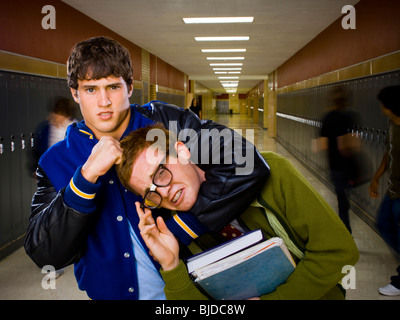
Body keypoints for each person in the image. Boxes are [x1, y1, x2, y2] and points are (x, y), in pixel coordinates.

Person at [24, 36, 269, 299]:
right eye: (91, 89)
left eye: (113, 87)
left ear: (130, 87)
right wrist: (85, 178)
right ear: (75, 93)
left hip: (190, 289)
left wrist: (184, 226)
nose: (104, 101)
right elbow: (44, 252)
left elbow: (244, 160)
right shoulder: (56, 160)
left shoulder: (166, 124)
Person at [116, 124, 360, 300]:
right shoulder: (177, 231)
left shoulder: (274, 171)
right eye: (150, 193)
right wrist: (171, 264)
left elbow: (338, 252)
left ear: (182, 150)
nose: (164, 192)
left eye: (160, 173)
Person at [369, 85, 400, 296]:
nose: (381, 108)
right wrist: (376, 178)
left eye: (383, 104)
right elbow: (389, 154)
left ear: (390, 106)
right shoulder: (392, 125)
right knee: (383, 223)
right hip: (392, 189)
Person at [319, 87, 360, 233]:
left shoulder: (328, 117)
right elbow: (355, 143)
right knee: (344, 196)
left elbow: (322, 144)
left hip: (335, 165)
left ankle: (345, 229)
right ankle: (345, 225)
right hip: (349, 165)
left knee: (341, 198)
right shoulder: (350, 116)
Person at [29, 97, 77, 177]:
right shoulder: (45, 129)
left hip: (71, 174)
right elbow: (36, 152)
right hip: (50, 174)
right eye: (55, 113)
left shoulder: (77, 129)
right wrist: (35, 171)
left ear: (67, 115)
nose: (55, 117)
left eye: (60, 114)